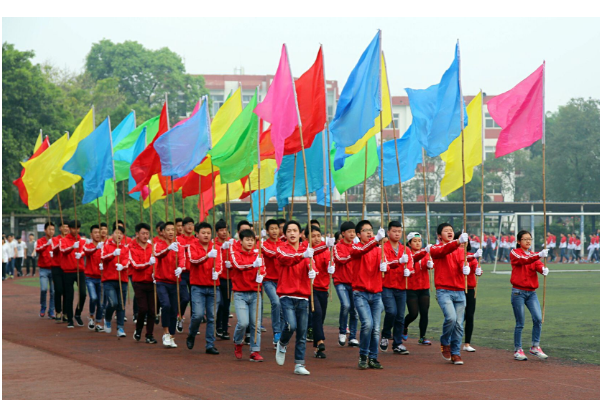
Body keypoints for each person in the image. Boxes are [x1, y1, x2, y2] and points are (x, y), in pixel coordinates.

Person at [274, 221, 320, 375]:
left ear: (300, 233)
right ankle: (282, 343)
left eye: (295, 230)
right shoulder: (281, 248)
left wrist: (313, 273)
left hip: (303, 295)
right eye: (289, 231)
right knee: (290, 326)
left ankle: (299, 364)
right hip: (286, 294)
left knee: (302, 331)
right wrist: (303, 255)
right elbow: (287, 259)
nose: (292, 233)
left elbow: (312, 265)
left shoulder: (307, 249)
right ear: (285, 234)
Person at [427, 223, 470, 365]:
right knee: (451, 318)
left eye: (451, 230)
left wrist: (466, 268)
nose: (450, 232)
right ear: (439, 235)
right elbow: (442, 251)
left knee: (459, 324)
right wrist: (457, 242)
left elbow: (462, 263)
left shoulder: (460, 250)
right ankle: (445, 341)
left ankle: (456, 353)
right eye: (446, 231)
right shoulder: (435, 248)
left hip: (459, 290)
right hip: (444, 290)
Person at [350, 220, 387, 370]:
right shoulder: (356, 247)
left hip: (377, 293)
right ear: (358, 234)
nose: (369, 232)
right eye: (365, 230)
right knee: (368, 324)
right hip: (361, 293)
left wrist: (388, 266)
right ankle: (363, 355)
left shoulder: (379, 250)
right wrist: (376, 241)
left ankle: (373, 357)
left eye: (370, 230)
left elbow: (387, 264)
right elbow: (360, 251)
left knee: (376, 328)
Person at [510, 230, 550, 361]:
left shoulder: (534, 255)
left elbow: (537, 265)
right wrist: (539, 255)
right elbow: (524, 260)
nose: (528, 241)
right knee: (520, 322)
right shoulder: (515, 252)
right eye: (525, 239)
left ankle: (535, 346)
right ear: (518, 241)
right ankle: (518, 349)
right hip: (518, 292)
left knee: (538, 318)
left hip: (531, 293)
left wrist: (543, 269)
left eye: (530, 239)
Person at [185, 222, 222, 354]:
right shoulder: (192, 246)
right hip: (198, 286)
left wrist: (217, 272)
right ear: (197, 234)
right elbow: (193, 260)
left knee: (212, 317)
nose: (206, 235)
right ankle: (192, 333)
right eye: (203, 233)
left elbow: (220, 264)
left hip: (213, 286)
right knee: (198, 315)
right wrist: (207, 256)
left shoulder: (216, 247)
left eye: (208, 233)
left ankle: (210, 344)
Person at [229, 228, 266, 362]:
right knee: (243, 322)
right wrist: (252, 265)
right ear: (241, 241)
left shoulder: (259, 254)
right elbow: (238, 265)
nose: (250, 242)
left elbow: (263, 269)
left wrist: (261, 275)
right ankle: (238, 342)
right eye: (247, 240)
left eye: (252, 240)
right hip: (240, 293)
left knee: (255, 324)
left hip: (255, 292)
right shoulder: (235, 252)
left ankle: (255, 351)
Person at [379, 221, 415, 355]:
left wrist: (409, 271)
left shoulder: (405, 249)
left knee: (400, 316)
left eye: (399, 231)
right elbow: (384, 264)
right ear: (388, 233)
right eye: (394, 231)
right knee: (391, 312)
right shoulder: (383, 247)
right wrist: (398, 262)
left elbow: (411, 264)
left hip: (401, 286)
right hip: (386, 285)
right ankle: (385, 335)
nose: (397, 234)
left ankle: (397, 343)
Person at [154, 221, 186, 347]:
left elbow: (183, 259)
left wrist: (181, 268)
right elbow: (157, 254)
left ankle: (172, 335)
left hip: (175, 281)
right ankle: (166, 332)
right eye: (168, 230)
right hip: (161, 281)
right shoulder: (158, 244)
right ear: (162, 232)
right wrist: (167, 249)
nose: (171, 232)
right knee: (166, 305)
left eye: (173, 229)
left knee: (174, 309)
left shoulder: (179, 246)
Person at [307, 225, 334, 359]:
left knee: (320, 317)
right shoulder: (306, 250)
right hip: (311, 288)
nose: (317, 239)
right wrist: (325, 246)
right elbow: (313, 253)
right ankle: (320, 341)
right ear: (307, 238)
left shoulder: (326, 249)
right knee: (317, 313)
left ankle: (317, 347)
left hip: (324, 288)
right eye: (313, 236)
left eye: (318, 235)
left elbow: (330, 261)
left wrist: (331, 266)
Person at [129, 222, 158, 344]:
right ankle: (138, 329)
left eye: (147, 233)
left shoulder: (153, 248)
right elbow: (135, 265)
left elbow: (158, 263)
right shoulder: (132, 248)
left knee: (152, 310)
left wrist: (156, 273)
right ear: (137, 234)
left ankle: (149, 335)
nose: (145, 236)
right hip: (139, 282)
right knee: (143, 308)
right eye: (143, 233)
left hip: (152, 282)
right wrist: (148, 263)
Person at [455, 231, 483, 353]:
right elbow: (461, 259)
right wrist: (473, 257)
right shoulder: (452, 254)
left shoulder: (472, 256)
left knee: (470, 315)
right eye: (461, 240)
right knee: (457, 317)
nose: (463, 243)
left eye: (465, 241)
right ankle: (454, 339)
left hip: (470, 288)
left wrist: (478, 271)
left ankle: (467, 343)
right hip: (457, 288)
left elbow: (476, 267)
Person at [332, 221, 359, 347]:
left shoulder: (357, 246)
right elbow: (340, 259)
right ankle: (343, 331)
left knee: (354, 310)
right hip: (340, 281)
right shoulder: (337, 246)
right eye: (349, 232)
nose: (352, 234)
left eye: (353, 231)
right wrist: (352, 254)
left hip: (355, 282)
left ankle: (353, 337)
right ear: (343, 233)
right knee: (346, 305)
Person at [402, 232, 432, 345]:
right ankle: (404, 326)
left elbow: (429, 265)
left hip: (424, 287)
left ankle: (422, 337)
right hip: (411, 287)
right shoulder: (407, 253)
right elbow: (413, 259)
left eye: (419, 241)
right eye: (414, 241)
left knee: (424, 313)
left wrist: (430, 264)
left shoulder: (426, 253)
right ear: (409, 243)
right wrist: (425, 252)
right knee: (413, 313)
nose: (418, 243)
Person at [101, 225, 130, 338]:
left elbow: (128, 260)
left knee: (121, 305)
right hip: (109, 279)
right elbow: (103, 257)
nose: (119, 235)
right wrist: (113, 254)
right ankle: (107, 318)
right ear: (112, 234)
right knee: (113, 302)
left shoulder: (125, 247)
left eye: (121, 233)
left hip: (122, 279)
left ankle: (120, 327)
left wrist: (122, 266)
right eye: (117, 233)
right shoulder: (106, 245)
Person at [59, 220, 87, 329]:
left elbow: (85, 250)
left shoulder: (82, 240)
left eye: (78, 228)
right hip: (68, 271)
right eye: (74, 228)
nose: (76, 230)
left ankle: (78, 313)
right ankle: (70, 319)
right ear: (70, 229)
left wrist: (81, 253)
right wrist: (72, 247)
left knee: (83, 294)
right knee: (69, 296)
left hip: (80, 271)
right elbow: (63, 250)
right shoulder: (64, 240)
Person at [260, 219, 284, 347]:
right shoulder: (263, 245)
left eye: (276, 228)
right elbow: (272, 254)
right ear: (267, 231)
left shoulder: (284, 243)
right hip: (268, 280)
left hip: (282, 280)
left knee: (282, 307)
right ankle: (277, 332)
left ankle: (280, 332)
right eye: (272, 229)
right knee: (276, 302)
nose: (275, 231)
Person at [176, 217, 196, 333]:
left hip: (194, 273)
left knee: (194, 299)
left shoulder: (196, 240)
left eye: (192, 224)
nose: (190, 227)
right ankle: (180, 317)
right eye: (187, 224)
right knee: (185, 298)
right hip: (182, 273)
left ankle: (194, 324)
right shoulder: (178, 239)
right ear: (182, 227)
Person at [214, 219, 232, 340]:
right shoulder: (213, 243)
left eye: (225, 230)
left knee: (226, 305)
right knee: (219, 303)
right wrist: (221, 249)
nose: (224, 232)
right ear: (217, 232)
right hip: (217, 278)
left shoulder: (231, 243)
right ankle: (218, 326)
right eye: (221, 230)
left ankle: (224, 329)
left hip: (228, 277)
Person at [83, 225, 104, 331]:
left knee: (100, 301)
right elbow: (87, 252)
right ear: (91, 234)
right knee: (94, 298)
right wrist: (96, 248)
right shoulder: (88, 245)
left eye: (99, 232)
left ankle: (98, 322)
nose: (97, 234)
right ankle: (91, 316)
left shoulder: (104, 246)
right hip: (90, 277)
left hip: (101, 277)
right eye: (95, 232)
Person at [51, 222, 68, 322]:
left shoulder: (70, 239)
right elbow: (54, 250)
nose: (65, 229)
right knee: (58, 289)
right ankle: (58, 311)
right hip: (56, 267)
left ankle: (65, 312)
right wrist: (60, 244)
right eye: (63, 227)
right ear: (60, 228)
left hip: (67, 267)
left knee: (66, 290)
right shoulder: (55, 239)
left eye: (67, 227)